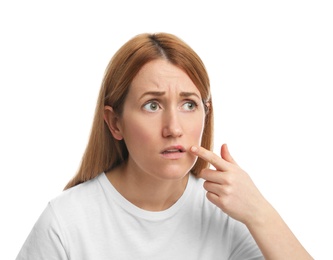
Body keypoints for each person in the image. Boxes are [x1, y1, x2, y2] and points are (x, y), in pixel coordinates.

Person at [16, 32, 313, 260]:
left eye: (188, 104)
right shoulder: (66, 221)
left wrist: (260, 212)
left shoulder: (227, 213)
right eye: (152, 105)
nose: (174, 128)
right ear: (114, 123)